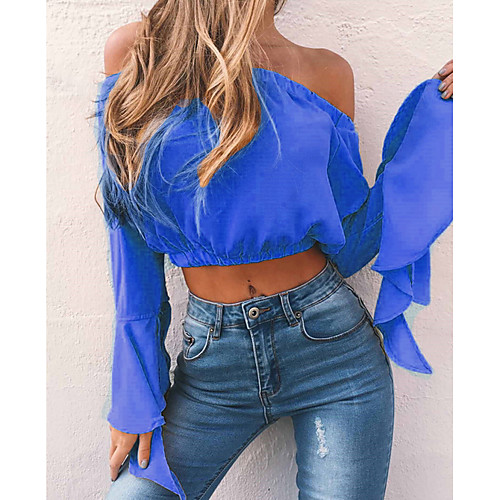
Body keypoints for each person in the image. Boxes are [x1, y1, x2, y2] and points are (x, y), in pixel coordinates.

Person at [94, 1, 453, 498]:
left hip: (334, 354)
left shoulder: (325, 72)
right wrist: (135, 394)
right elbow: (127, 234)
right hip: (212, 366)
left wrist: (443, 122)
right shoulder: (140, 52)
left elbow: (348, 245)